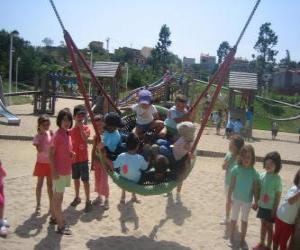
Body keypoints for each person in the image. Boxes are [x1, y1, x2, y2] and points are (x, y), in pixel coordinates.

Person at [227, 145, 259, 249]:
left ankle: (242, 240)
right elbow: (231, 185)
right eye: (244, 156)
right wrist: (228, 197)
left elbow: (255, 189)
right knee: (233, 219)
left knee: (244, 221)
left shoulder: (254, 172)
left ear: (252, 158)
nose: (246, 159)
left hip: (247, 201)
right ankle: (230, 237)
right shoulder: (236, 168)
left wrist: (256, 201)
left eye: (248, 157)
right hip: (236, 199)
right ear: (240, 157)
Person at [49, 108, 75, 235]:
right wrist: (54, 171)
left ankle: (54, 218)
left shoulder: (67, 134)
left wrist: (70, 153)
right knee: (57, 199)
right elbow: (51, 155)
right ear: (59, 120)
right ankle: (60, 226)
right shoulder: (57, 135)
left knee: (58, 196)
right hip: (59, 172)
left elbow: (64, 151)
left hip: (66, 171)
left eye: (69, 119)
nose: (67, 122)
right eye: (64, 119)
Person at [156, 121, 196, 203]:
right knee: (160, 141)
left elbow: (193, 156)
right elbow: (175, 145)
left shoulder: (189, 143)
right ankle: (169, 191)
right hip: (173, 149)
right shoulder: (183, 137)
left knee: (162, 148)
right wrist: (171, 145)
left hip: (175, 157)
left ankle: (178, 194)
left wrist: (189, 151)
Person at [253, 152, 282, 250]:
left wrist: (274, 208)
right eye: (267, 164)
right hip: (262, 206)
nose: (268, 166)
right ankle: (261, 243)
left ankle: (268, 246)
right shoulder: (262, 175)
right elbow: (258, 190)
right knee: (263, 225)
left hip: (270, 208)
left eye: (272, 164)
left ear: (277, 166)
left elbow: (278, 196)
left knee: (270, 228)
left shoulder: (277, 179)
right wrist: (256, 202)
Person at [113, 133, 148, 204]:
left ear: (126, 145)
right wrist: (149, 160)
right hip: (135, 180)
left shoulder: (121, 156)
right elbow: (145, 168)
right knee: (137, 173)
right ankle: (133, 196)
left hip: (123, 178)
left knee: (123, 172)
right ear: (137, 146)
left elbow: (115, 165)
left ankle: (123, 196)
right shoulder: (140, 158)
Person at [69, 105, 92, 212]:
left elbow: (84, 138)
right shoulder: (70, 131)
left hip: (83, 159)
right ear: (74, 117)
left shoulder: (86, 128)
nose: (81, 118)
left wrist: (81, 127)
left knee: (85, 181)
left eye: (83, 115)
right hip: (74, 160)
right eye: (79, 115)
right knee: (76, 179)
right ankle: (77, 197)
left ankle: (88, 201)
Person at [273, 170, 300, 250]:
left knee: (283, 243)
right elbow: (290, 201)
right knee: (275, 239)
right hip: (280, 217)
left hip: (289, 223)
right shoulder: (294, 188)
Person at [220, 135, 245, 225]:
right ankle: (227, 218)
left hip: (237, 184)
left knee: (236, 202)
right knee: (228, 200)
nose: (229, 145)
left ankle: (234, 218)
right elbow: (223, 167)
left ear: (236, 147)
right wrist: (228, 160)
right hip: (228, 182)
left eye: (231, 143)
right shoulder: (228, 154)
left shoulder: (241, 157)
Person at [32, 115, 53, 217]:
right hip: (41, 163)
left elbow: (54, 148)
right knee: (39, 185)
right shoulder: (37, 137)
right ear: (39, 125)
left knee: (50, 186)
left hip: (50, 164)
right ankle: (38, 205)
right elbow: (40, 150)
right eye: (44, 124)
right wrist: (40, 136)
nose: (46, 126)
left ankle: (51, 205)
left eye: (48, 124)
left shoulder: (51, 133)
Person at [91, 115, 110, 210]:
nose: (98, 127)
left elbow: (109, 149)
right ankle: (99, 197)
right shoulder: (95, 136)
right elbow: (93, 148)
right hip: (97, 161)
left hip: (104, 162)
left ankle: (106, 199)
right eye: (96, 126)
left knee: (104, 181)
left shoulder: (107, 136)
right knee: (97, 179)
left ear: (104, 124)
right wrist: (92, 163)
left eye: (100, 125)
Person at [0, 160, 8, 237]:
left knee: (2, 202)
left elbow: (4, 174)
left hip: (1, 185)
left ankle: (1, 220)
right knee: (1, 203)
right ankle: (1, 223)